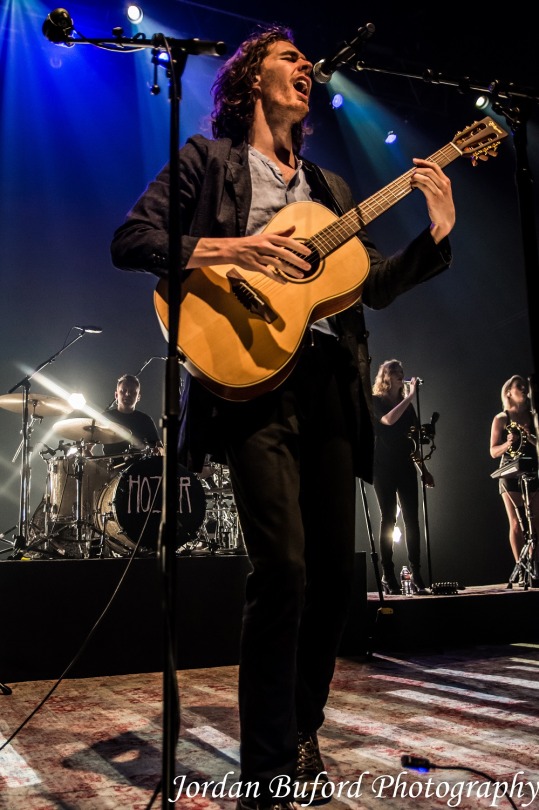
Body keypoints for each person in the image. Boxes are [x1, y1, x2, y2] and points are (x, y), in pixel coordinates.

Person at [110, 26, 455, 810]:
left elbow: (370, 284)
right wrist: (234, 251)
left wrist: (436, 233)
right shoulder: (208, 162)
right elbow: (132, 240)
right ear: (248, 81)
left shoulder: (331, 188)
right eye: (287, 57)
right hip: (250, 377)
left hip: (331, 382)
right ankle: (266, 764)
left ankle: (301, 729)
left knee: (333, 578)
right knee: (283, 571)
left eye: (305, 61)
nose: (304, 67)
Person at [371, 359, 434, 595]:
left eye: (402, 371)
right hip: (383, 468)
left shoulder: (408, 408)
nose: (400, 374)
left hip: (405, 466)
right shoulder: (376, 401)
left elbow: (413, 444)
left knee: (412, 520)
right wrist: (410, 397)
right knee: (388, 518)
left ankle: (416, 572)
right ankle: (387, 573)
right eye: (395, 372)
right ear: (386, 377)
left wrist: (423, 470)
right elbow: (388, 420)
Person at [489, 374, 538, 573]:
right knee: (517, 522)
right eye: (519, 386)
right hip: (509, 472)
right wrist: (508, 443)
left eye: (525, 386)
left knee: (535, 521)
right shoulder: (502, 418)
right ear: (509, 392)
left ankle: (534, 566)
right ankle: (521, 568)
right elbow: (493, 451)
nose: (524, 389)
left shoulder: (534, 417)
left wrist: (531, 437)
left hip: (532, 470)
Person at [99, 374, 162, 459]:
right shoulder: (105, 417)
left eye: (133, 392)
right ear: (116, 395)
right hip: (111, 466)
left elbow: (159, 448)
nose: (128, 394)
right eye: (123, 391)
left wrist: (160, 451)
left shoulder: (146, 420)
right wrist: (95, 466)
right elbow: (87, 448)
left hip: (140, 466)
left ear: (138, 397)